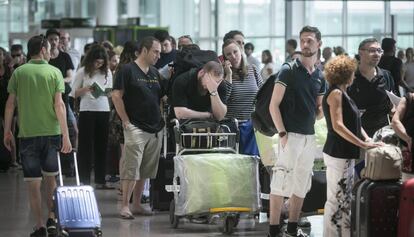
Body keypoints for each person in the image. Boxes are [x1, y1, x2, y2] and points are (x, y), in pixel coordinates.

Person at [3, 35, 71, 237]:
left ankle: (40, 226)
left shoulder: (19, 72)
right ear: (42, 49)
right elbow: (59, 105)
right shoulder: (54, 72)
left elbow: (10, 104)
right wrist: (66, 135)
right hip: (51, 134)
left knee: (33, 184)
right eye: (49, 48)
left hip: (27, 135)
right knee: (51, 180)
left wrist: (7, 131)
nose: (51, 52)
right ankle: (52, 219)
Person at [268, 26, 326, 237]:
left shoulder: (319, 75)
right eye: (303, 40)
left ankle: (292, 228)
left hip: (308, 137)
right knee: (280, 182)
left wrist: (323, 109)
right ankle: (274, 230)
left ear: (319, 43)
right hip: (289, 135)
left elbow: (319, 111)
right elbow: (273, 105)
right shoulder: (289, 69)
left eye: (310, 40)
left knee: (301, 184)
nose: (305, 44)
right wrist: (282, 133)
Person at [322, 55, 380, 236]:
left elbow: (355, 122)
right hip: (338, 151)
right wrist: (362, 143)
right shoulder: (336, 93)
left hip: (344, 152)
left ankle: (341, 233)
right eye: (352, 73)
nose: (354, 75)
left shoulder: (342, 93)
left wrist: (367, 139)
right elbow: (338, 125)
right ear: (346, 74)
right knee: (336, 198)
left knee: (343, 196)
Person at [112, 36, 165, 219]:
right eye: (156, 52)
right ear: (144, 50)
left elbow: (162, 97)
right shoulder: (127, 70)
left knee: (145, 170)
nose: (159, 55)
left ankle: (136, 205)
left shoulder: (155, 72)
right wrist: (126, 121)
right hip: (135, 127)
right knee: (131, 169)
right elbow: (116, 96)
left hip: (155, 128)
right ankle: (125, 205)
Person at [71, 45, 113, 188]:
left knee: (102, 145)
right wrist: (86, 89)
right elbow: (73, 93)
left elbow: (111, 91)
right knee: (85, 146)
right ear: (90, 60)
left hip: (103, 110)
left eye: (101, 63)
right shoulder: (83, 72)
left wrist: (106, 92)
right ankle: (84, 179)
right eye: (96, 62)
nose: (98, 65)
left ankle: (101, 180)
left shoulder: (107, 72)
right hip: (87, 110)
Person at [222, 39, 263, 154]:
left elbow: (262, 94)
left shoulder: (253, 69)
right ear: (225, 58)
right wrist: (229, 74)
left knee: (252, 162)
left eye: (235, 52)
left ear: (241, 51)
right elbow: (223, 98)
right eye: (228, 54)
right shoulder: (222, 73)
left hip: (253, 126)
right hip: (232, 126)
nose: (233, 56)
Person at [348, 38, 394, 137]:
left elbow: (392, 103)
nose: (377, 54)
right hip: (356, 135)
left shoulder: (386, 76)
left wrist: (394, 109)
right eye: (372, 50)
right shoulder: (349, 77)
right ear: (360, 53)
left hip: (382, 135)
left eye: (379, 51)